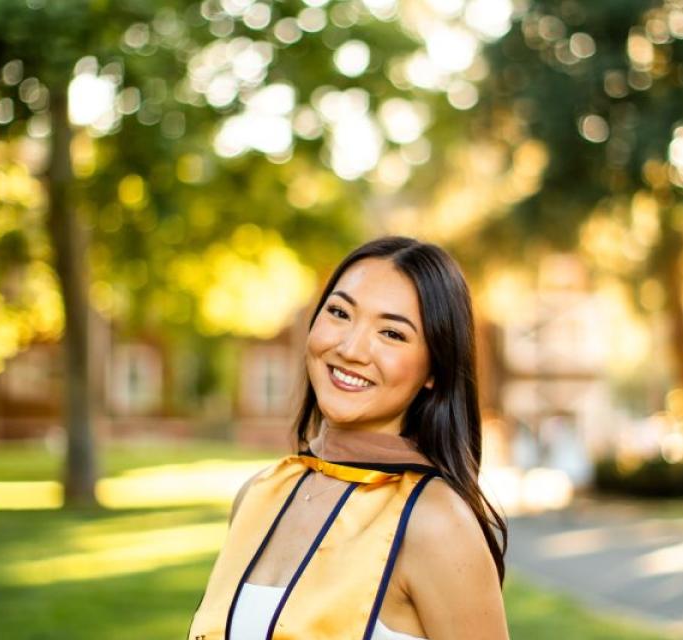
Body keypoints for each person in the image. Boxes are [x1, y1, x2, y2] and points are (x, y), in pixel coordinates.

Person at [187, 235, 510, 640]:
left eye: (392, 333)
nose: (352, 349)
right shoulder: (259, 494)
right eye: (340, 312)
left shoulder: (435, 521)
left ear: (434, 369)